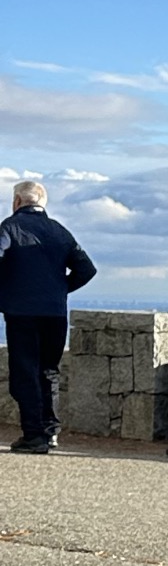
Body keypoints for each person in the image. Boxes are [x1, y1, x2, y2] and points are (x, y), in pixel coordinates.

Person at [0, 179, 96, 456]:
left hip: (22, 313)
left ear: (17, 202)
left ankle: (33, 435)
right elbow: (86, 269)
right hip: (54, 313)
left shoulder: (10, 226)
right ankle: (50, 431)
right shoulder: (59, 231)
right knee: (49, 370)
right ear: (42, 203)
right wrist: (60, 289)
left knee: (25, 372)